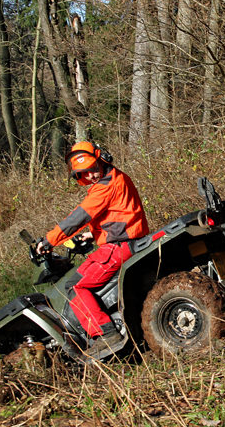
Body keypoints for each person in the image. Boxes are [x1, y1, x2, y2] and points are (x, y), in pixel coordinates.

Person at [37, 141, 150, 356]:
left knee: (76, 287)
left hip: (117, 248)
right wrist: (94, 234)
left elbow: (78, 217)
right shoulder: (118, 177)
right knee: (74, 281)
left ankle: (105, 335)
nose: (90, 176)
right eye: (84, 174)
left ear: (101, 160)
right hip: (123, 241)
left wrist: (49, 241)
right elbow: (120, 215)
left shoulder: (105, 187)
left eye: (92, 169)